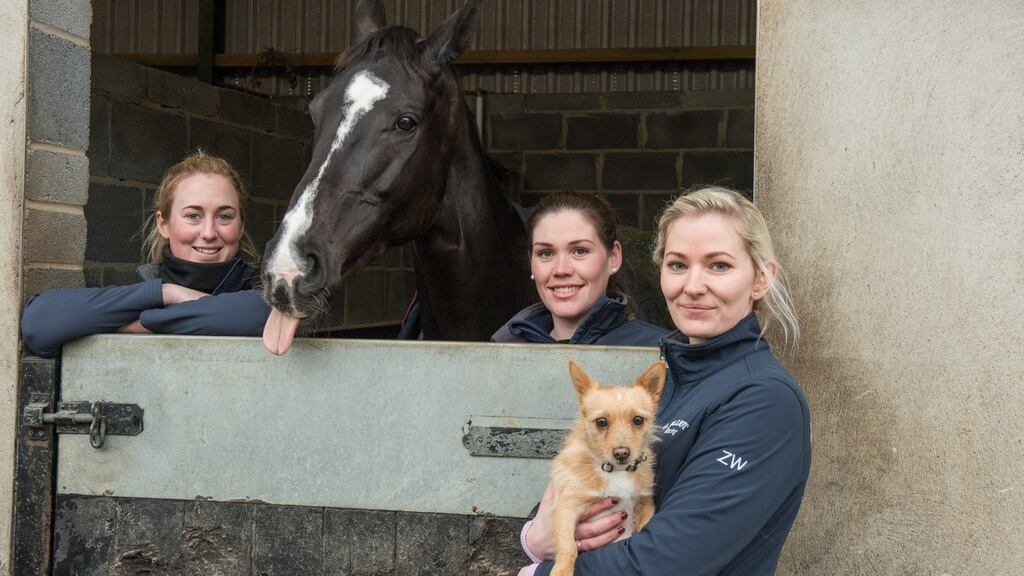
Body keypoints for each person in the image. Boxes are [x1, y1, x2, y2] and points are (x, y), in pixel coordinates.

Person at [518, 187, 811, 575]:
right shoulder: (669, 381)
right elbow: (581, 474)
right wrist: (535, 537)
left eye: (718, 265)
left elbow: (670, 559)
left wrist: (537, 574)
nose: (692, 285)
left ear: (760, 278)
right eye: (677, 265)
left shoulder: (764, 400)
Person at [21, 151, 271, 359]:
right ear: (164, 224)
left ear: (241, 225)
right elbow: (39, 322)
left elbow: (259, 313)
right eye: (193, 215)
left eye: (224, 216)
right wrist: (166, 293)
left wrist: (143, 323)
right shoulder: (139, 296)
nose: (208, 232)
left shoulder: (268, 293)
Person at [492, 191, 666, 346]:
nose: (561, 269)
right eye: (546, 253)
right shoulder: (500, 353)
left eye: (579, 251)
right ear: (531, 263)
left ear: (614, 258)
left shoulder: (659, 353)